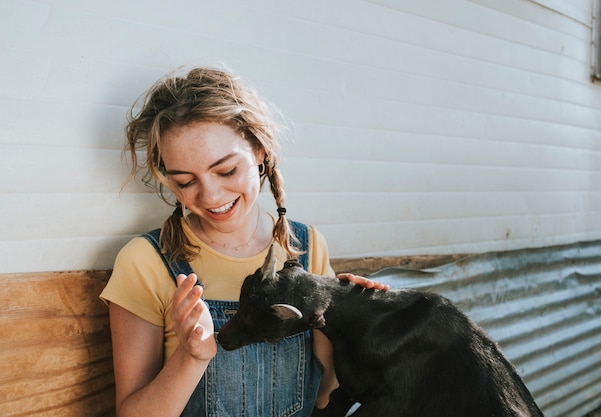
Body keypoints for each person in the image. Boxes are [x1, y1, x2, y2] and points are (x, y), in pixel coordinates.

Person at [100, 66, 387, 417]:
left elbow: (326, 397)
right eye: (185, 181)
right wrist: (191, 357)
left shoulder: (309, 245)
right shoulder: (145, 261)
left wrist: (354, 325)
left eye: (226, 171)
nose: (210, 195)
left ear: (259, 151)